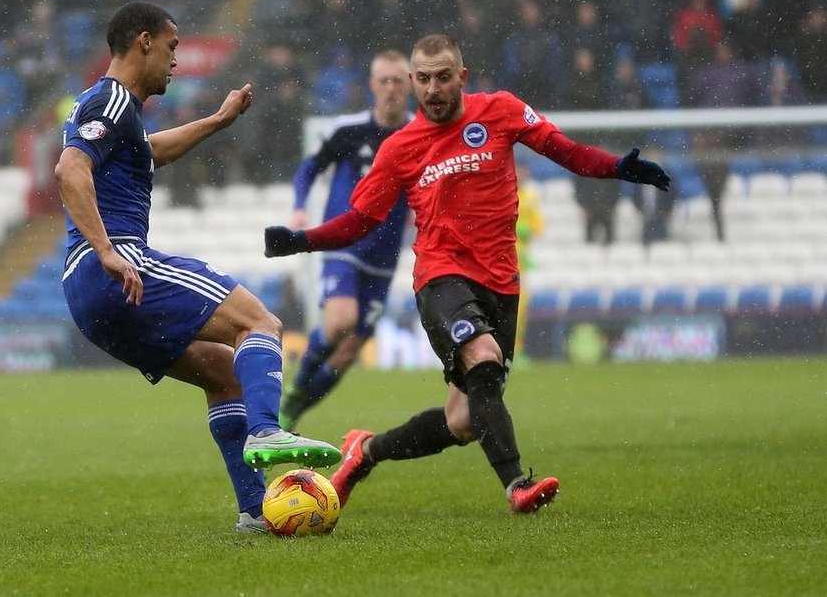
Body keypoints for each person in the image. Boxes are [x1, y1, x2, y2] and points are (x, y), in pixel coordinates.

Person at [265, 34, 670, 514]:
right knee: (482, 356)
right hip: (440, 278)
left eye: (442, 77)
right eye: (423, 79)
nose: (432, 89)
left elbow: (566, 152)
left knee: (461, 420)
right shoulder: (400, 148)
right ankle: (517, 484)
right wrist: (302, 239)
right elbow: (360, 220)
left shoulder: (499, 111)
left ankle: (364, 451)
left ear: (462, 76)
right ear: (414, 83)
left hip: (501, 282)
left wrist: (618, 169)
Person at [54, 1, 340, 534]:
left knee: (224, 372)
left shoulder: (119, 114)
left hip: (88, 299)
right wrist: (108, 250)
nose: (175, 61)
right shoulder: (111, 97)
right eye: (171, 47)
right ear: (143, 42)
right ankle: (265, 431)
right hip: (114, 269)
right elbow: (70, 168)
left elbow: (151, 152)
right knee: (260, 323)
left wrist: (218, 120)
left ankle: (255, 511)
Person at [278, 50, 413, 431]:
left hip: (385, 255)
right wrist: (300, 207)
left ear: (409, 85)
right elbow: (310, 168)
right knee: (341, 321)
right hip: (345, 242)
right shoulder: (349, 130)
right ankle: (296, 391)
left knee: (350, 349)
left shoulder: (419, 134)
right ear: (372, 86)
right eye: (383, 81)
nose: (390, 89)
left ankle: (294, 410)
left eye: (397, 81)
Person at [513, 163, 544, 366]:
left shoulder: (531, 196)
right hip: (499, 257)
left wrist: (526, 228)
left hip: (520, 261)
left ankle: (516, 350)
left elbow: (538, 225)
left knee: (520, 308)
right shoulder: (501, 191)